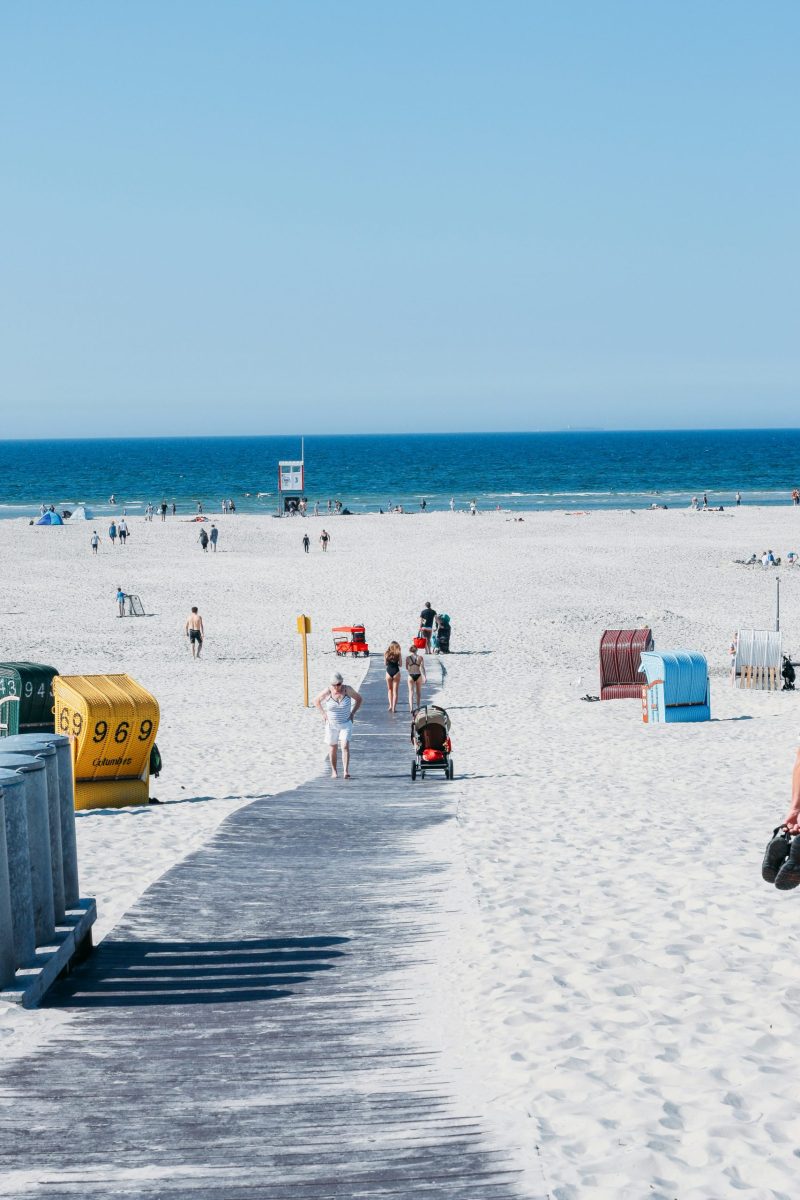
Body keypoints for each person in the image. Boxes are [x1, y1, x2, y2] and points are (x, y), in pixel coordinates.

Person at [314, 671, 363, 779]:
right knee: (333, 747)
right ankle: (334, 771)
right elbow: (316, 701)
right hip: (331, 724)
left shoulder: (347, 689)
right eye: (335, 685)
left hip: (345, 723)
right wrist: (323, 714)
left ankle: (346, 771)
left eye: (339, 684)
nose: (337, 687)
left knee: (345, 745)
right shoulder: (327, 691)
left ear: (342, 682)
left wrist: (353, 713)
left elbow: (359, 699)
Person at [406, 644, 426, 711]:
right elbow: (422, 668)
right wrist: (424, 677)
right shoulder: (420, 657)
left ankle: (411, 708)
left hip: (411, 675)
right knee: (418, 692)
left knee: (411, 692)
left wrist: (411, 667)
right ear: (417, 650)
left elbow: (407, 668)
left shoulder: (408, 658)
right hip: (418, 675)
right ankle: (418, 706)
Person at [384, 641, 402, 712]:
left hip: (388, 672)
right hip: (396, 672)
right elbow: (400, 665)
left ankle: (390, 705)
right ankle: (394, 708)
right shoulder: (398, 654)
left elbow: (385, 664)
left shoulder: (386, 653)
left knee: (389, 690)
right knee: (395, 691)